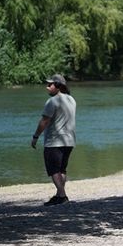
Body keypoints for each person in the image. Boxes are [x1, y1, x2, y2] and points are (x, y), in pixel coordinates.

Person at [31, 74, 77, 206]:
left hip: (55, 141)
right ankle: (59, 195)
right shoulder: (71, 100)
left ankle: (62, 196)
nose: (47, 87)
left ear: (58, 86)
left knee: (54, 170)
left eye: (50, 84)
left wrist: (35, 137)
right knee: (62, 169)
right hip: (69, 140)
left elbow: (44, 121)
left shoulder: (53, 101)